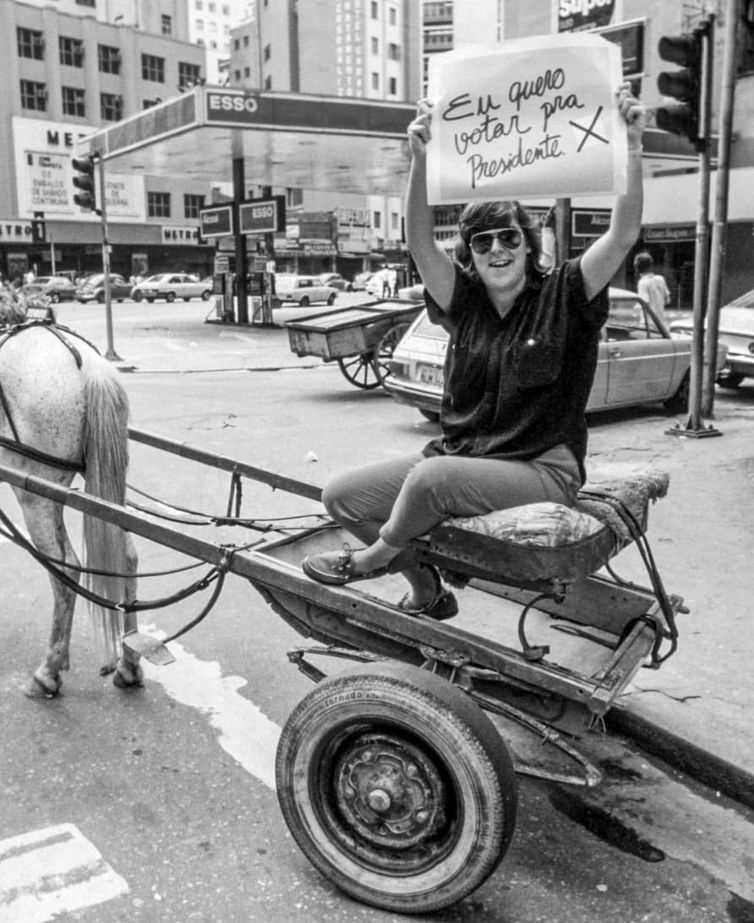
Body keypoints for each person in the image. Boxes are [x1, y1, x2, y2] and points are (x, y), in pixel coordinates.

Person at [303, 83, 646, 618]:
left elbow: (623, 235)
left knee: (430, 480)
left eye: (508, 237)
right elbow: (419, 243)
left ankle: (372, 560)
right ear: (470, 254)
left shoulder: (566, 293)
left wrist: (632, 146)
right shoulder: (462, 302)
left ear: (527, 244)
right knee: (342, 496)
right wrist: (420, 160)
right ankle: (427, 591)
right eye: (482, 242)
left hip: (540, 470)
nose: (496, 249)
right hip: (463, 461)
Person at [634, 251, 670, 325]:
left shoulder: (642, 283)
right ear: (651, 265)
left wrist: (636, 307)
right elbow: (668, 300)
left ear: (636, 268)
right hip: (661, 324)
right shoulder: (661, 279)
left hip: (648, 324)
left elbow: (644, 303)